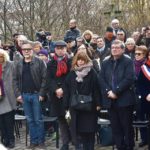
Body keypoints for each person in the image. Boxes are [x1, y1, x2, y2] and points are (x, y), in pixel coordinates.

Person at [99, 40, 136, 150]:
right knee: (115, 127)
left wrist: (116, 91)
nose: (114, 49)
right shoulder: (105, 62)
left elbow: (129, 79)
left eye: (117, 47)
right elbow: (101, 79)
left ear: (123, 49)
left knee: (127, 127)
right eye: (112, 47)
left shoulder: (128, 61)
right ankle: (120, 147)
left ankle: (129, 146)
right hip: (110, 100)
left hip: (124, 100)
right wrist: (108, 91)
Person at [64, 51, 101, 150]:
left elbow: (96, 89)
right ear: (76, 61)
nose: (80, 62)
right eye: (79, 59)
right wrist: (66, 106)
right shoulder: (72, 73)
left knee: (90, 132)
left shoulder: (92, 72)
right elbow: (67, 90)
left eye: (83, 60)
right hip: (75, 107)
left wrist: (98, 103)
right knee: (78, 133)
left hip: (90, 107)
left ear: (86, 61)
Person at [13, 42, 46, 149]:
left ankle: (41, 142)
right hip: (24, 96)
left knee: (38, 120)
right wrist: (18, 94)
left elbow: (45, 79)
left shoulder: (39, 62)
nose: (26, 51)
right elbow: (14, 80)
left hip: (36, 95)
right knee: (30, 120)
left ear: (32, 50)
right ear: (22, 51)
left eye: (28, 49)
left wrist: (42, 93)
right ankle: (33, 141)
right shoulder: (18, 64)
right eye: (24, 50)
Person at [46, 41, 71, 150]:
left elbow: (71, 77)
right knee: (61, 120)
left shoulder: (70, 62)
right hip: (56, 95)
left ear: (66, 49)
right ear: (55, 50)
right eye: (58, 48)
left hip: (68, 94)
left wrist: (63, 89)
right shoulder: (50, 63)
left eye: (62, 48)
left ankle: (75, 140)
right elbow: (49, 79)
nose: (60, 50)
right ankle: (65, 143)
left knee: (71, 118)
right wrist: (56, 89)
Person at [0, 49, 16, 149]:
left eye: (1, 56)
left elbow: (18, 64)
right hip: (0, 97)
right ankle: (4, 139)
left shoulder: (10, 65)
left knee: (9, 121)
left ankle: (11, 140)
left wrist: (16, 51)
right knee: (1, 122)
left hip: (9, 96)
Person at [137, 50, 150, 147]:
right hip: (147, 98)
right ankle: (146, 139)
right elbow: (140, 84)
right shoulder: (144, 67)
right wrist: (146, 94)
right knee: (145, 119)